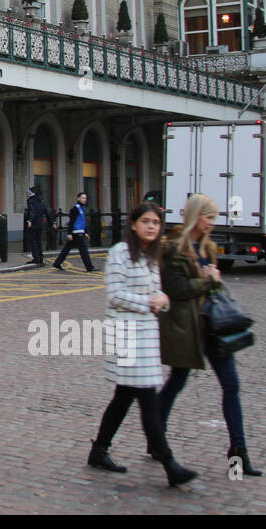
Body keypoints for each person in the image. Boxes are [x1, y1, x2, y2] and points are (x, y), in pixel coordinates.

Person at [87, 201, 198, 487]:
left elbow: (155, 290)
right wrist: (149, 302)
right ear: (134, 224)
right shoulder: (119, 253)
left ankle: (99, 449)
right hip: (126, 335)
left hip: (146, 336)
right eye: (146, 221)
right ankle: (168, 462)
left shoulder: (151, 255)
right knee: (147, 398)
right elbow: (115, 295)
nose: (151, 226)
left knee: (124, 397)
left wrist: (162, 298)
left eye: (156, 222)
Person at [156, 194, 260, 476]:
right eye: (209, 217)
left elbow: (209, 288)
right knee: (176, 382)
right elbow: (177, 289)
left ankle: (239, 452)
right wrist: (208, 280)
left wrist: (213, 281)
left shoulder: (209, 247)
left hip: (214, 326)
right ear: (195, 216)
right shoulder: (174, 248)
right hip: (187, 326)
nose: (212, 223)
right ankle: (157, 436)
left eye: (214, 218)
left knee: (232, 386)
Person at [53, 192, 96, 273]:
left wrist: (85, 232)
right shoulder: (75, 208)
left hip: (78, 232)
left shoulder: (81, 208)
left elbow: (82, 221)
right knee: (84, 251)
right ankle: (89, 267)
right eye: (83, 198)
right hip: (76, 233)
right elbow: (71, 222)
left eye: (85, 198)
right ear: (78, 198)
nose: (84, 200)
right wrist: (69, 233)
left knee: (66, 249)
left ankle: (57, 263)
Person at [24, 186, 49, 265]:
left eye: (28, 193)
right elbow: (46, 211)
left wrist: (30, 220)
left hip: (34, 223)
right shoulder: (41, 200)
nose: (27, 194)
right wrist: (53, 222)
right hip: (40, 223)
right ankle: (40, 258)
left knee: (33, 241)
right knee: (38, 241)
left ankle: (36, 258)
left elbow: (32, 210)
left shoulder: (30, 200)